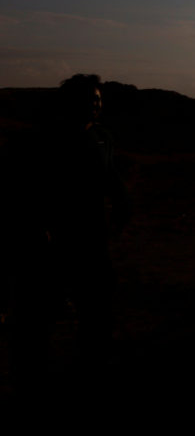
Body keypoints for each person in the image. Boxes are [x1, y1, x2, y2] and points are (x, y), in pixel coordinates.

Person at [5, 74, 130, 392]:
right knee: (39, 312)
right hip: (51, 241)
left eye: (99, 99)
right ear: (69, 102)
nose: (95, 104)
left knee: (97, 303)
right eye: (89, 99)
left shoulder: (103, 136)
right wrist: (35, 228)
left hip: (92, 238)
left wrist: (121, 203)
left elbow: (110, 176)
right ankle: (29, 375)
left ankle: (92, 363)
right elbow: (22, 190)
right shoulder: (42, 140)